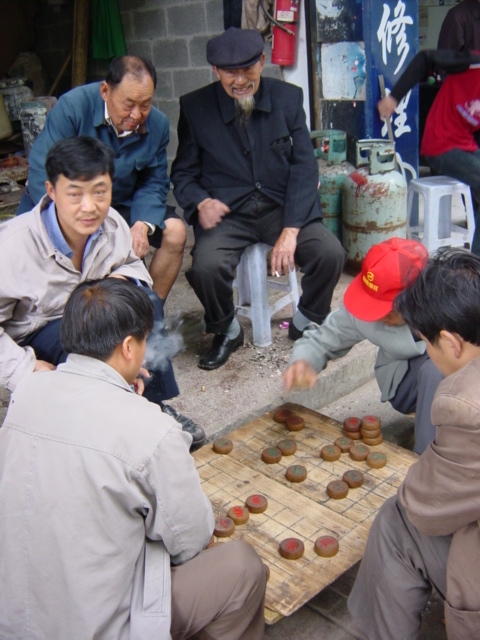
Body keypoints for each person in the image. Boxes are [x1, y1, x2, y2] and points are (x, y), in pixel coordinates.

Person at [0, 277, 267, 639]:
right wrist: (136, 414)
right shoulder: (152, 430)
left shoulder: (28, 391)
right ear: (129, 347)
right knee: (242, 567)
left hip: (14, 620)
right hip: (95, 628)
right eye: (143, 340)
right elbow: (191, 539)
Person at [0, 135, 205, 449]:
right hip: (41, 329)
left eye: (100, 192)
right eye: (75, 194)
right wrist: (24, 368)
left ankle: (152, 406)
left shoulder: (110, 223)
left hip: (92, 311)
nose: (89, 207)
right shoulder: (12, 245)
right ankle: (104, 436)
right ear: (52, 191)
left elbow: (130, 263)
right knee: (94, 356)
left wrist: (125, 280)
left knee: (144, 303)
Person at [170, 27, 346, 370]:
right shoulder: (195, 108)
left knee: (330, 253)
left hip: (282, 208)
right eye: (229, 72)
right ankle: (227, 329)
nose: (239, 80)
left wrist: (292, 230)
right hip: (227, 214)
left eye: (247, 69)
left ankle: (305, 321)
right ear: (215, 71)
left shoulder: (288, 99)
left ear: (262, 62)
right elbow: (183, 174)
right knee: (206, 267)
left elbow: (305, 168)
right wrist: (199, 201)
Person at [347, 248, 480, 640]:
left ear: (451, 343)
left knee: (396, 522)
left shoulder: (466, 404)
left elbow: (425, 508)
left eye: (428, 344)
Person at [17, 55, 186, 302]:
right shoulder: (73, 108)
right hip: (66, 207)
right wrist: (86, 225)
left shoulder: (157, 124)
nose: (137, 114)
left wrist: (141, 224)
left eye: (146, 104)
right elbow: (43, 171)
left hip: (120, 206)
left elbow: (154, 181)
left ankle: (150, 315)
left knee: (175, 231)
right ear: (105, 91)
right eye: (128, 104)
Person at [283, 237, 444, 454]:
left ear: (416, 298)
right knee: (433, 373)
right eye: (373, 305)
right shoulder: (365, 310)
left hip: (458, 374)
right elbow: (322, 339)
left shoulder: (450, 299)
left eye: (387, 309)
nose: (378, 317)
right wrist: (304, 361)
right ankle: (427, 460)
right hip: (406, 382)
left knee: (440, 371)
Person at [377, 48, 480, 255]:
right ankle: (475, 269)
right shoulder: (472, 63)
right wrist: (394, 97)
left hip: (467, 145)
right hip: (440, 144)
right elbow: (425, 59)